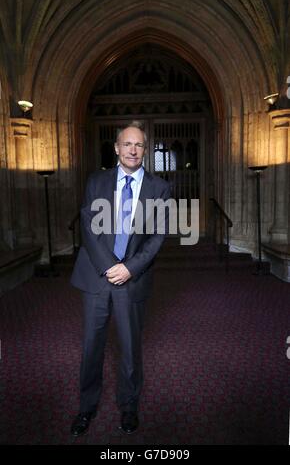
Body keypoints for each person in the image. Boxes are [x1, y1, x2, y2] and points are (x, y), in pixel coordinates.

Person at [70, 121, 171, 436]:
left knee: (129, 347)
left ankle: (129, 406)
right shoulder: (96, 181)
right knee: (92, 346)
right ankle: (87, 407)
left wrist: (129, 268)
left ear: (145, 149)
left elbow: (157, 237)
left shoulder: (159, 188)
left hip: (133, 277)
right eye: (127, 144)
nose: (133, 149)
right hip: (97, 276)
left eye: (139, 145)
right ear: (116, 148)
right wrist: (108, 266)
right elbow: (87, 227)